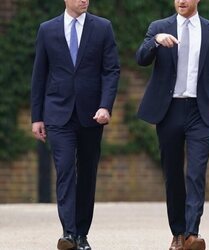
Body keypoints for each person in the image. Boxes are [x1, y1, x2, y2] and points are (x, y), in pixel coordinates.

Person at [136, 0, 209, 249]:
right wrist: (156, 40)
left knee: (196, 172)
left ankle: (192, 233)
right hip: (169, 111)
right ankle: (177, 233)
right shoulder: (159, 26)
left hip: (200, 112)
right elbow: (141, 59)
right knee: (173, 174)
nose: (182, 1)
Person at [31, 0, 120, 249]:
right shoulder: (47, 29)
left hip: (92, 114)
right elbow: (39, 74)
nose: (84, 0)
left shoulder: (103, 28)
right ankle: (68, 233)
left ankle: (82, 234)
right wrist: (36, 116)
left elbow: (111, 70)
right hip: (57, 114)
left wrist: (106, 105)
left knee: (87, 174)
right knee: (66, 169)